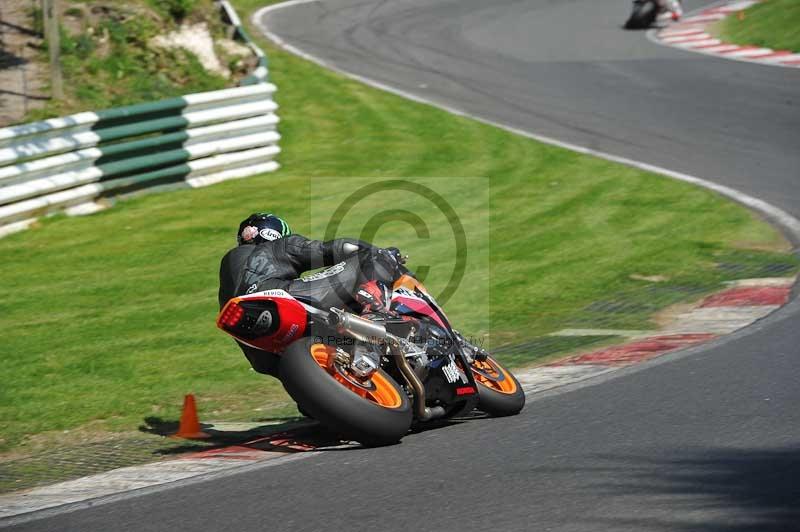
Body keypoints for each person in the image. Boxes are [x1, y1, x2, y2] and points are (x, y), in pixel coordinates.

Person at [218, 212, 402, 377]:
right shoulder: (278, 246)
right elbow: (337, 248)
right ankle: (375, 314)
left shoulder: (227, 285)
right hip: (282, 296)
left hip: (262, 352)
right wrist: (383, 253)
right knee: (372, 256)